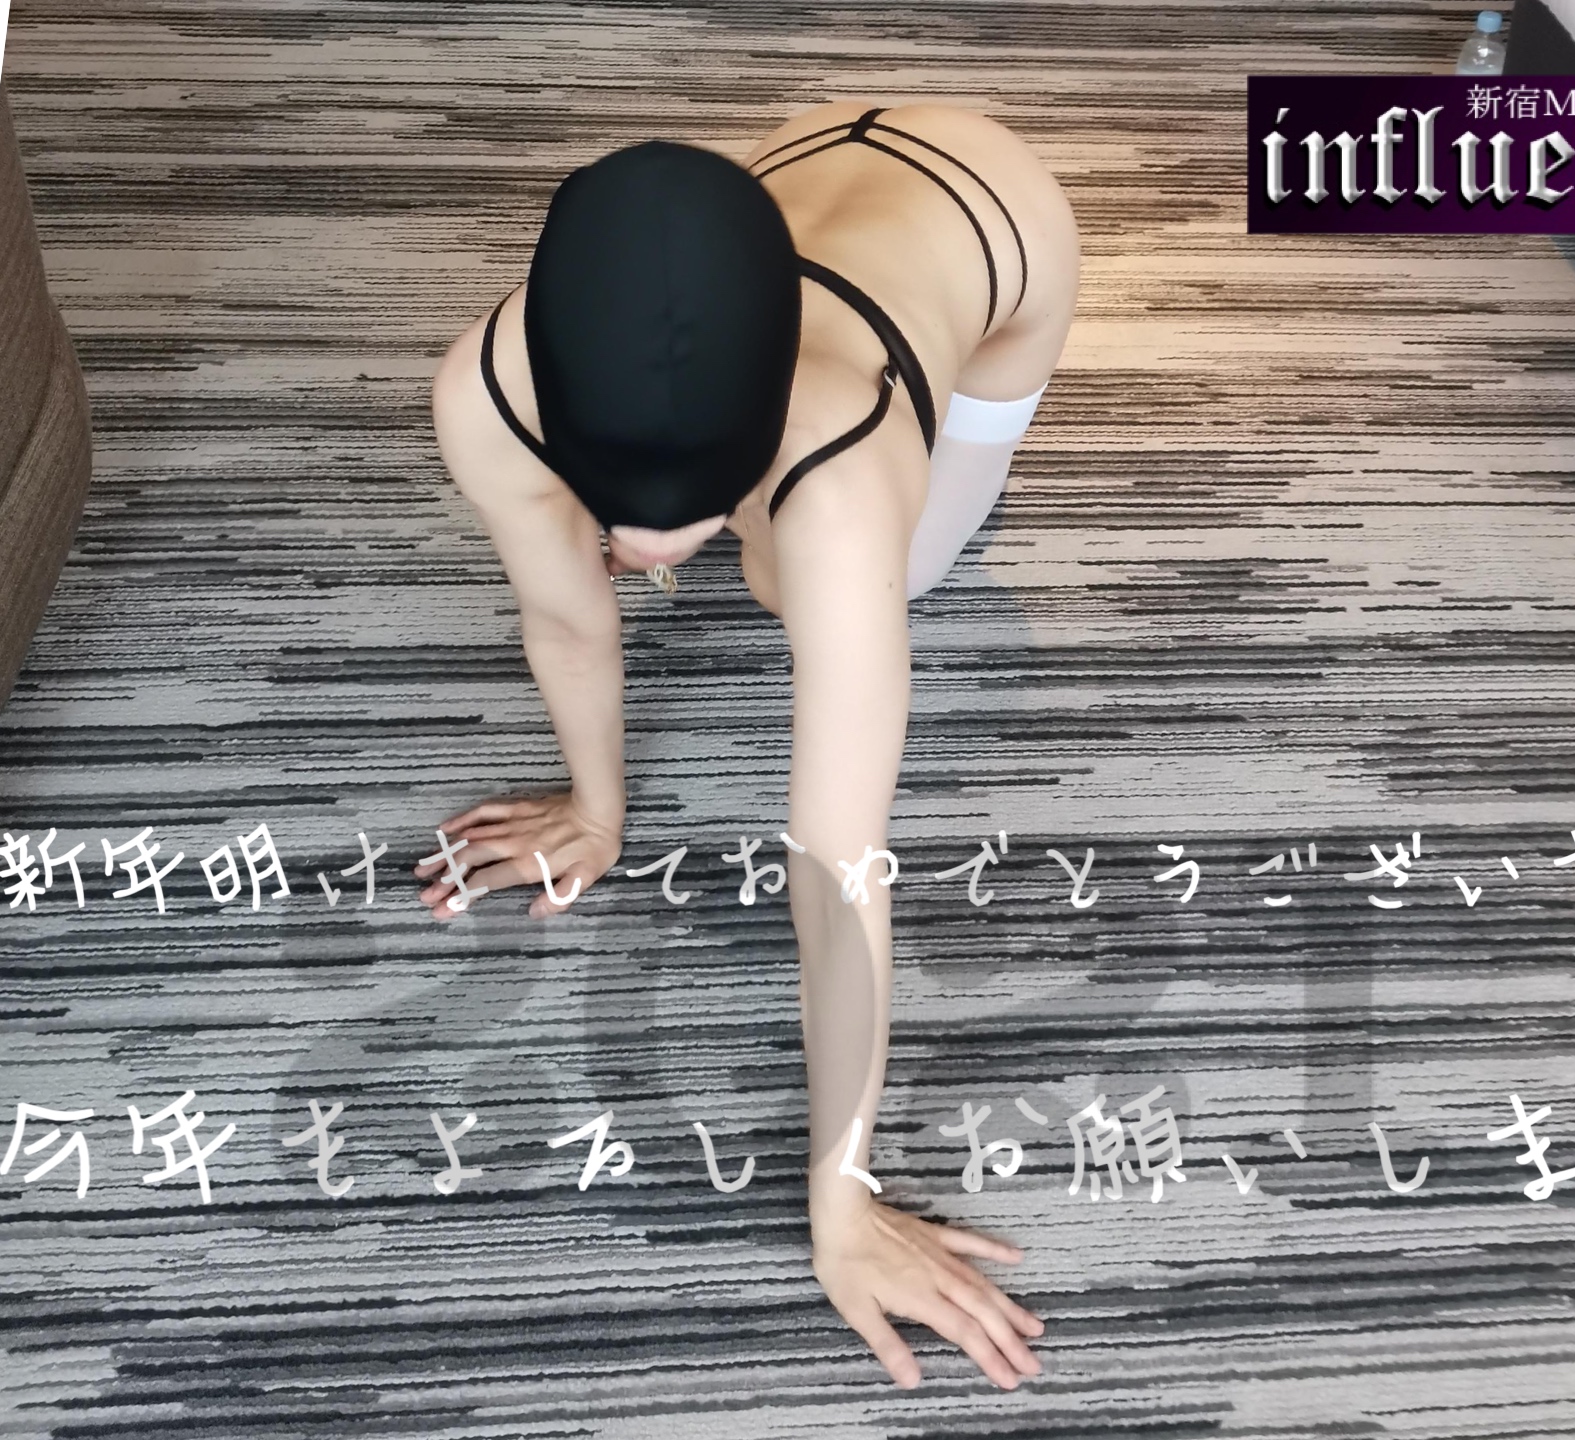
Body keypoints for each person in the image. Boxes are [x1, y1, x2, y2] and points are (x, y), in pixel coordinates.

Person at [421, 99, 1079, 1391]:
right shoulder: (482, 389)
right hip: (811, 156)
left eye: (687, 519)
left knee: (876, 577)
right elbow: (565, 616)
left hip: (999, 228)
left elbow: (838, 869)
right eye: (616, 516)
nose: (642, 555)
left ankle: (805, 525)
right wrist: (595, 811)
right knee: (742, 564)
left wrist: (845, 1200)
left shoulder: (845, 464)